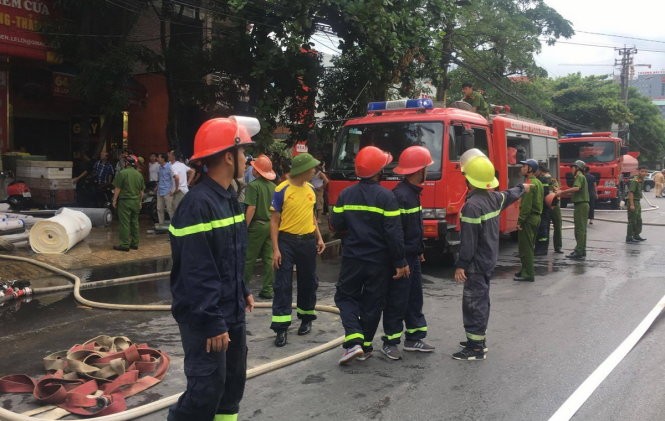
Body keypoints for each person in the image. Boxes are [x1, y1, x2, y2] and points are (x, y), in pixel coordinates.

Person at [167, 116, 257, 421]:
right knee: (206, 390)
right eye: (244, 152)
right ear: (229, 156)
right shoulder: (198, 205)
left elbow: (230, 255)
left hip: (229, 309)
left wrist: (241, 289)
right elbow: (197, 270)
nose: (247, 159)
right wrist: (211, 322)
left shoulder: (228, 198)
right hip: (206, 316)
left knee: (232, 386)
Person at [331, 146, 409, 365]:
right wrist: (400, 261)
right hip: (379, 261)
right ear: (378, 171)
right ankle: (363, 345)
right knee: (372, 303)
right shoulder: (387, 197)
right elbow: (394, 233)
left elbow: (336, 224)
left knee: (345, 297)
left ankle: (354, 339)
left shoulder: (346, 194)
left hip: (353, 258)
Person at [453, 148, 529, 360]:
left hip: (475, 263)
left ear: (468, 179)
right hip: (488, 260)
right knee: (481, 300)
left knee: (473, 302)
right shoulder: (493, 198)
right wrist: (523, 187)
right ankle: (477, 338)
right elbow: (510, 194)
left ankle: (475, 348)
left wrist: (461, 264)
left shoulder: (472, 206)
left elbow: (469, 241)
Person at [381, 146, 435, 361]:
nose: (428, 172)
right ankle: (390, 342)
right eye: (426, 168)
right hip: (402, 260)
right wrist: (400, 261)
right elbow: (395, 233)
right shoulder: (400, 196)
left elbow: (413, 228)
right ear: (419, 170)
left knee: (414, 299)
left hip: (412, 256)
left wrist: (419, 251)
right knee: (397, 300)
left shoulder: (411, 194)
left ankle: (414, 338)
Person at [270, 153, 326, 347]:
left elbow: (311, 217)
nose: (314, 171)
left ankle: (306, 318)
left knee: (308, 281)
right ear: (302, 170)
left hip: (308, 241)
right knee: (283, 283)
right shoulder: (282, 189)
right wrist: (276, 249)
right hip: (287, 241)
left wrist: (318, 237)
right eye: (312, 168)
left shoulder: (310, 189)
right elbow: (275, 221)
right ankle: (281, 327)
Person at [243, 154, 277, 300]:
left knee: (248, 258)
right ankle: (268, 289)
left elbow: (251, 208)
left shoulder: (253, 186)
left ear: (257, 171)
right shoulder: (274, 187)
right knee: (268, 259)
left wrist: (244, 227)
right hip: (271, 225)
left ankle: (242, 289)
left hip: (257, 226)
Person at [515, 159, 543, 282]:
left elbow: (526, 206)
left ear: (530, 169)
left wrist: (520, 221)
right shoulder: (538, 182)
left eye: (524, 166)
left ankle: (528, 273)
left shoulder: (530, 184)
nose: (522, 168)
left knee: (525, 247)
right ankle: (525, 269)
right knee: (529, 245)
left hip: (528, 219)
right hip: (536, 218)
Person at [111, 155, 145, 251]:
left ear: (126, 163)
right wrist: (140, 202)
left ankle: (125, 244)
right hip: (136, 202)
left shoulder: (122, 173)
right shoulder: (139, 174)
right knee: (135, 223)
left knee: (124, 223)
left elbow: (117, 188)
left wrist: (114, 200)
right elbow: (141, 192)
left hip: (125, 201)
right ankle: (134, 243)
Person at [556, 160, 588, 260]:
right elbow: (575, 192)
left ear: (577, 168)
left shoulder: (579, 176)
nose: (571, 169)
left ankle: (579, 251)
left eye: (573, 167)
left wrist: (562, 191)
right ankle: (581, 250)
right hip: (582, 205)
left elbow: (576, 188)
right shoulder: (581, 177)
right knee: (582, 229)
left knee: (579, 229)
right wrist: (562, 194)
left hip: (581, 205)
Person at [543, 166, 563, 253]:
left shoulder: (540, 180)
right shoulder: (553, 180)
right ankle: (557, 247)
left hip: (545, 206)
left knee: (545, 227)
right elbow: (557, 192)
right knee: (557, 226)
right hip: (554, 205)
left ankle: (544, 247)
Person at [625, 166, 648, 243]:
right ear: (639, 172)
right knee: (632, 220)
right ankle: (629, 237)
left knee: (638, 220)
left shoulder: (640, 180)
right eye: (642, 171)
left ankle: (636, 235)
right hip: (633, 201)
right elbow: (631, 193)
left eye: (645, 171)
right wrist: (632, 205)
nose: (644, 173)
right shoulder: (635, 180)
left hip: (637, 201)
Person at [534, 163, 552, 256]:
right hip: (542, 208)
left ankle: (542, 249)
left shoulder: (543, 180)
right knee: (541, 229)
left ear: (540, 171)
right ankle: (539, 248)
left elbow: (544, 193)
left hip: (544, 208)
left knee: (543, 229)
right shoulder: (539, 179)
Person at [156, 152, 175, 225]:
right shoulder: (160, 167)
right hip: (160, 190)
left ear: (163, 159)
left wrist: (172, 190)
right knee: (159, 208)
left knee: (170, 209)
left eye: (159, 157)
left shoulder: (170, 167)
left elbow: (173, 179)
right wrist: (157, 187)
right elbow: (160, 179)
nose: (157, 159)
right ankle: (161, 223)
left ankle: (173, 224)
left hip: (168, 191)